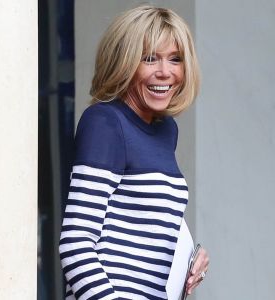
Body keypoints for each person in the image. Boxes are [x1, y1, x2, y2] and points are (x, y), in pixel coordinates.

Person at [59, 5, 209, 300]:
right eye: (150, 58)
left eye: (175, 59)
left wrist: (192, 257)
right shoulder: (105, 123)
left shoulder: (166, 130)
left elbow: (143, 223)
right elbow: (76, 242)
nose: (165, 72)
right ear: (124, 61)